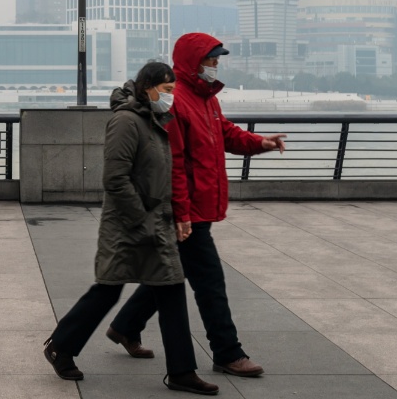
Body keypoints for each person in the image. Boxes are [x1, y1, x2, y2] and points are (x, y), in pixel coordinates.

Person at [108, 33, 286, 378]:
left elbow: (226, 133)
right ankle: (227, 352)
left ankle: (125, 326)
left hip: (197, 206)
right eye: (211, 59)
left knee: (174, 270)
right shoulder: (175, 101)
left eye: (217, 59)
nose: (216, 65)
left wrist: (260, 142)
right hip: (187, 211)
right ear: (193, 61)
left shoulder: (207, 98)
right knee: (210, 283)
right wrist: (182, 213)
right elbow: (172, 163)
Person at [43, 62, 219, 395]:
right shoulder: (126, 121)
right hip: (125, 226)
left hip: (156, 224)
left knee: (171, 289)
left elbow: (163, 174)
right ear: (148, 87)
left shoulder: (155, 119)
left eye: (173, 91)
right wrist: (141, 217)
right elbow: (115, 179)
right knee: (108, 289)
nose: (171, 97)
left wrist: (173, 215)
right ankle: (60, 347)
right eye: (167, 90)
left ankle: (182, 372)